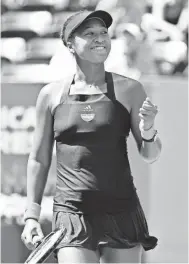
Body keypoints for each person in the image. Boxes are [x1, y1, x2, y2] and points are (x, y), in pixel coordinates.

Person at [21, 10, 162, 263]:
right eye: (90, 34)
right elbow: (39, 159)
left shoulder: (131, 89)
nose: (100, 39)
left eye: (104, 33)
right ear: (70, 45)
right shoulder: (50, 95)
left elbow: (150, 155)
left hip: (122, 211)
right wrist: (32, 214)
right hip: (71, 214)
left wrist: (149, 130)